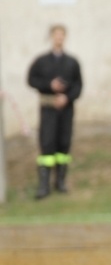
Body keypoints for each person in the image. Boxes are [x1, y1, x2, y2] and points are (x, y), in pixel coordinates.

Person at [26, 24, 82, 200]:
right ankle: (44, 185)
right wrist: (49, 86)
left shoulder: (72, 62)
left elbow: (78, 85)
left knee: (63, 144)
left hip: (66, 109)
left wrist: (67, 97)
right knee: (47, 143)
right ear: (51, 37)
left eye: (62, 35)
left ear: (65, 37)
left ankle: (61, 181)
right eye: (56, 34)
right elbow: (31, 79)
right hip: (48, 108)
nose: (59, 38)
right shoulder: (41, 61)